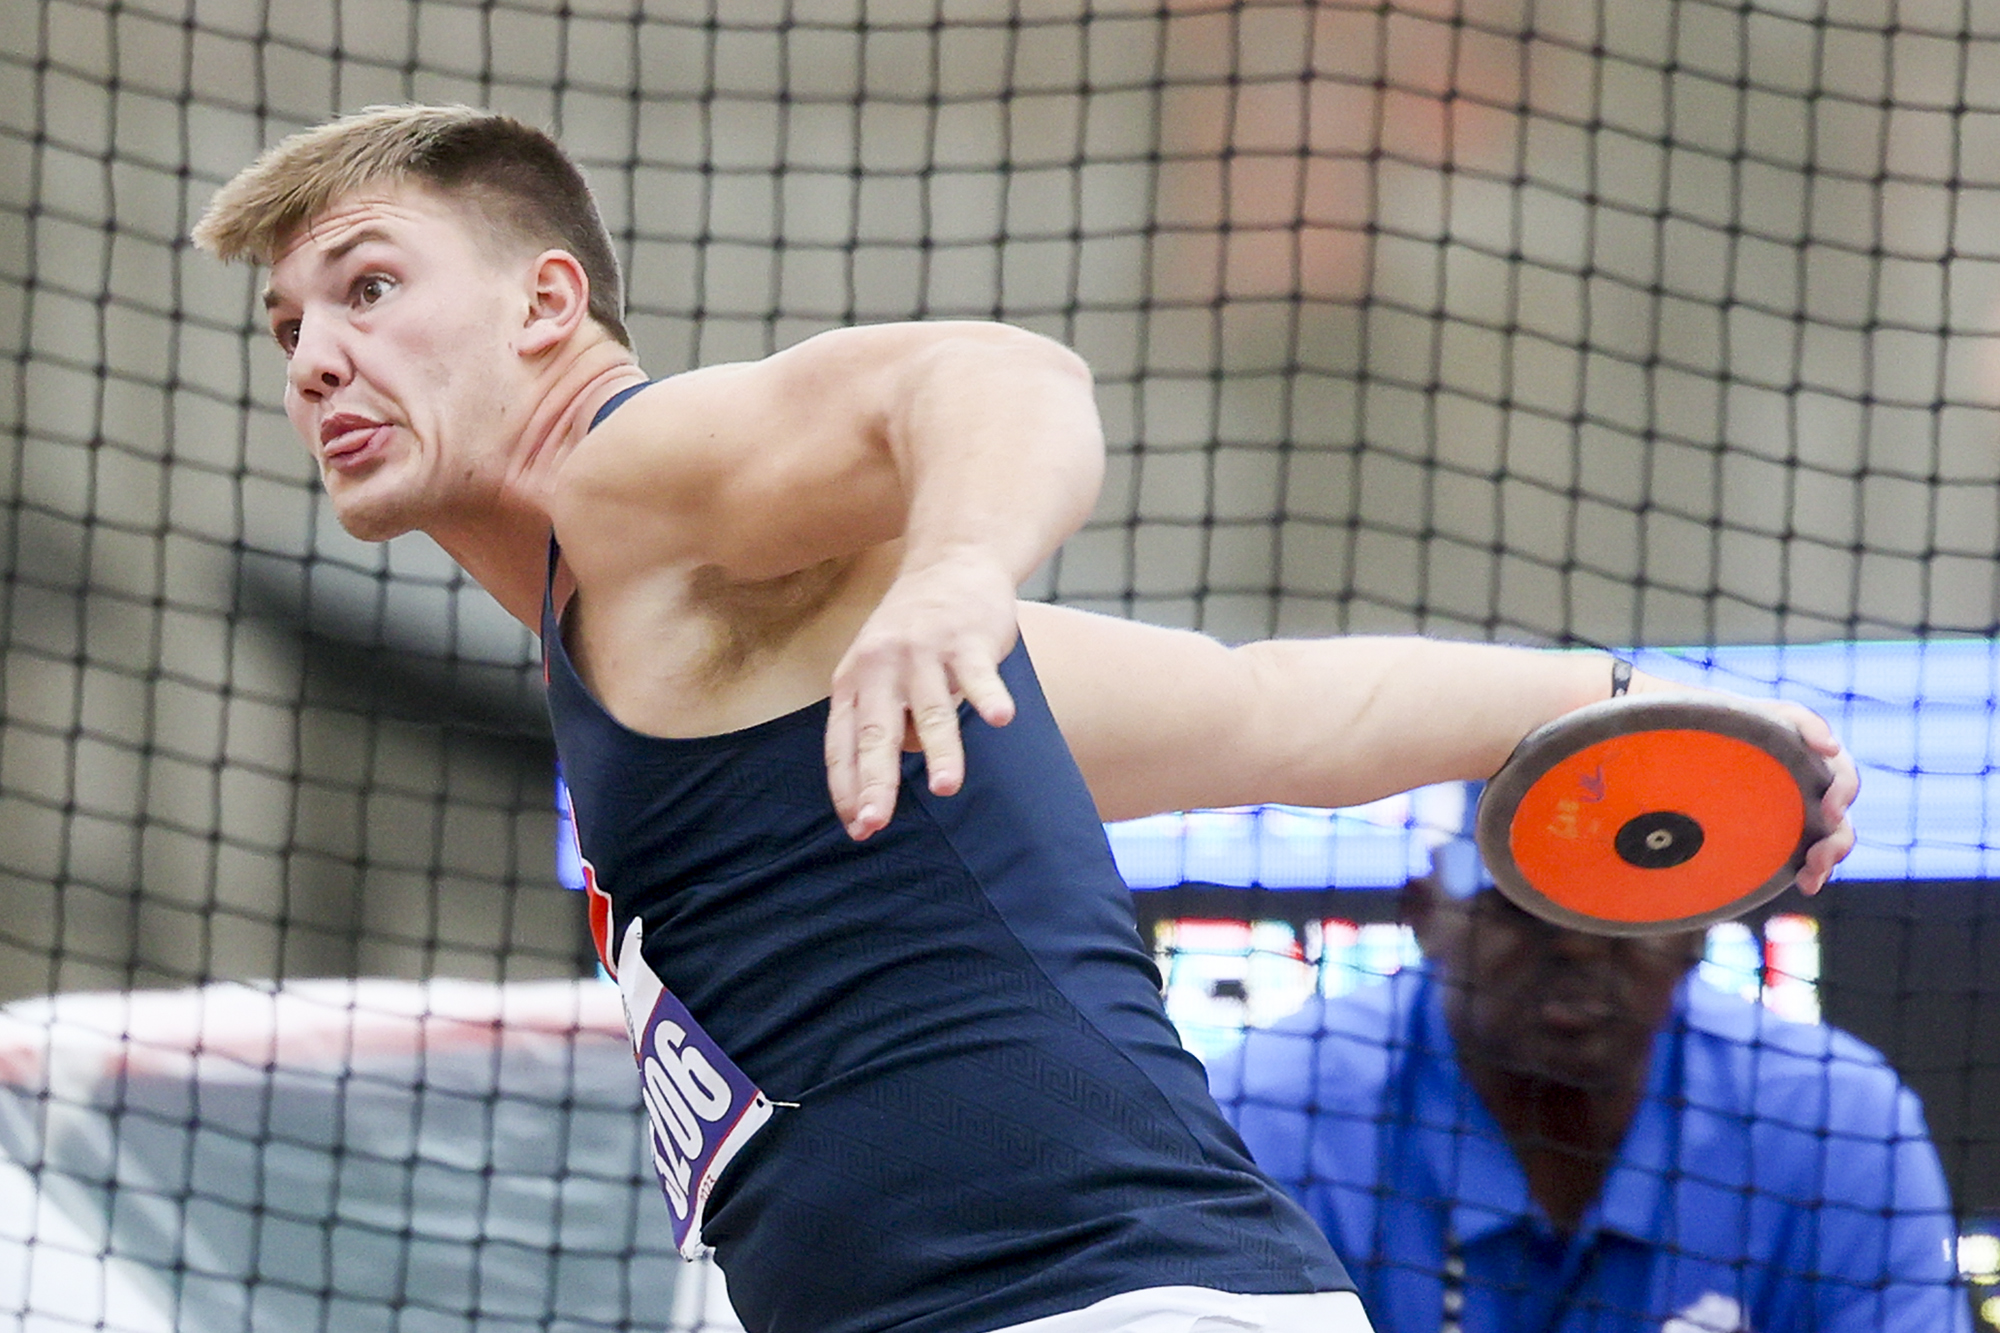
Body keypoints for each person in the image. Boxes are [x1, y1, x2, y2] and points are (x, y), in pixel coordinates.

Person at [190, 105, 1858, 1333]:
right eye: (289, 328)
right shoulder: (753, 644)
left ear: (548, 304)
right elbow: (1274, 709)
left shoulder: (638, 485)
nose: (317, 358)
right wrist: (1633, 705)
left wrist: (958, 565)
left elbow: (998, 375)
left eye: (369, 287)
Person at [1209, 837, 1968, 1333]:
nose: (1574, 940)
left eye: (1621, 905)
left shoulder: (1833, 1118)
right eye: (1521, 903)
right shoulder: (1263, 1119)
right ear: (1424, 913)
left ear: (1698, 926)